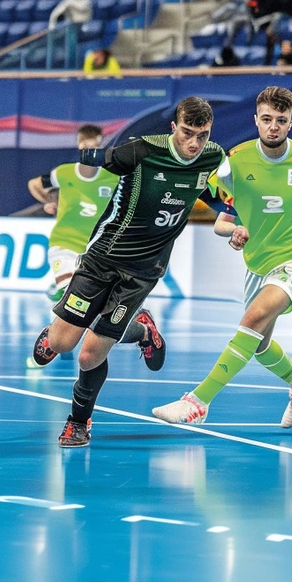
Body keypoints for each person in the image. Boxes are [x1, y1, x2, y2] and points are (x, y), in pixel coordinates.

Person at [31, 98, 227, 448]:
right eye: (187, 133)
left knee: (90, 354)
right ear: (174, 129)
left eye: (202, 135)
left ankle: (78, 422)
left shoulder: (213, 159)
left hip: (143, 270)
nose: (194, 144)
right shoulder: (140, 151)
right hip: (101, 258)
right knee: (62, 344)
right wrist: (86, 153)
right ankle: (139, 330)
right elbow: (97, 159)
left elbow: (227, 200)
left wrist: (237, 224)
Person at [152, 87, 292, 427]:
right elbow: (223, 222)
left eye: (281, 121)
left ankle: (197, 402)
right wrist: (235, 232)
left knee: (252, 318)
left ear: (290, 123)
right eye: (267, 119)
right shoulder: (233, 163)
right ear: (256, 120)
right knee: (259, 345)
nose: (273, 127)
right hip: (258, 264)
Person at [27, 125, 119, 303]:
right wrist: (49, 201)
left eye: (98, 147)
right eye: (90, 147)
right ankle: (62, 287)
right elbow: (34, 184)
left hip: (94, 251)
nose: (94, 152)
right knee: (73, 296)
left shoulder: (112, 177)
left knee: (99, 298)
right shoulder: (64, 173)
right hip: (64, 244)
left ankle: (60, 287)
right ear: (81, 146)